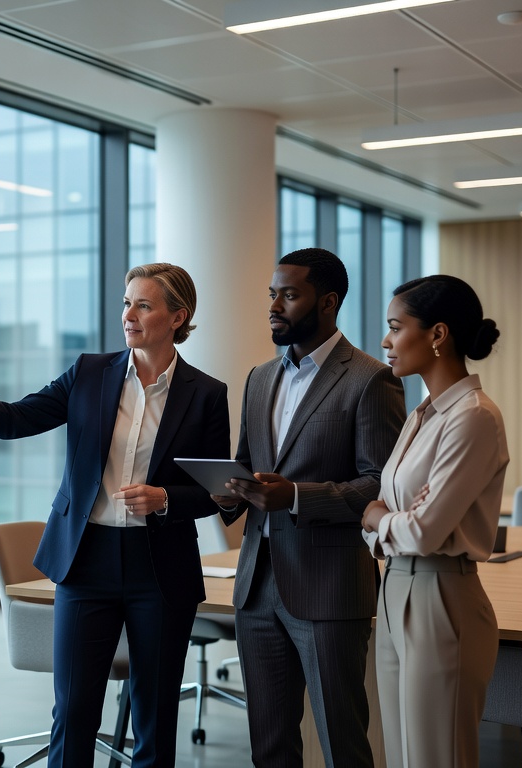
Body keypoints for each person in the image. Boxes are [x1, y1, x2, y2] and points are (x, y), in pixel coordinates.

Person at [0, 263, 228, 768]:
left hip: (160, 568)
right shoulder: (90, 372)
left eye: (144, 305)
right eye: (126, 303)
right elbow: (16, 419)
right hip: (86, 560)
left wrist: (166, 499)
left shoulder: (207, 393)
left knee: (155, 717)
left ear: (178, 316)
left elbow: (218, 492)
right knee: (73, 712)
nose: (129, 315)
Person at [212, 248, 405, 768]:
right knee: (269, 747)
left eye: (289, 294)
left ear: (328, 301)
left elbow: (379, 486)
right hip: (256, 585)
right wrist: (226, 489)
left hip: (329, 585)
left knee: (343, 741)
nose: (274, 305)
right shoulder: (259, 378)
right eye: (272, 293)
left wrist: (295, 496)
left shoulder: (370, 379)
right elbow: (249, 463)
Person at [360, 275, 507, 768]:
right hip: (395, 586)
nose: (385, 341)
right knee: (401, 757)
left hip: (444, 598)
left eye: (395, 327)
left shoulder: (473, 417)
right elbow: (377, 514)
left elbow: (424, 531)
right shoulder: (420, 415)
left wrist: (386, 517)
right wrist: (389, 517)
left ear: (437, 335)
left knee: (436, 758)